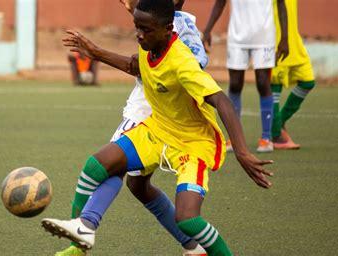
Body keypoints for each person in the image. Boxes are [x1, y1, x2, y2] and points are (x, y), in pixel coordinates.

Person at [42, 0, 273, 255]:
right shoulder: (149, 42)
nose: (139, 34)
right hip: (157, 130)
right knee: (96, 166)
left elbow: (222, 101)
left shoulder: (182, 62)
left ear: (167, 29)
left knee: (188, 219)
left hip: (192, 143)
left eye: (146, 29)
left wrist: (241, 151)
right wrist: (95, 52)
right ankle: (82, 229)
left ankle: (203, 248)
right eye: (136, 27)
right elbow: (136, 65)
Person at [56, 0, 210, 255]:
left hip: (151, 108)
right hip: (159, 106)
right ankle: (193, 246)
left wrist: (96, 52)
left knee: (107, 166)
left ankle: (80, 236)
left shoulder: (181, 30)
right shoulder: (160, 18)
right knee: (139, 187)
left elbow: (138, 65)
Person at [202, 0, 289, 153]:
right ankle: (234, 139)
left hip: (264, 36)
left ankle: (266, 138)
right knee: (235, 84)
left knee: (263, 83)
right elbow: (220, 3)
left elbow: (281, 5)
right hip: (237, 36)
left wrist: (284, 38)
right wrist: (208, 30)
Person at [271, 0, 316, 149]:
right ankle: (275, 135)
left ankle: (280, 120)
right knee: (275, 85)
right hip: (276, 40)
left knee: (308, 81)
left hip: (293, 41)